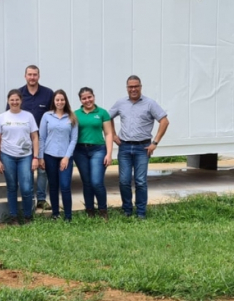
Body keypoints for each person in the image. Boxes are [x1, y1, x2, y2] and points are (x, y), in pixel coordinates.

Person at [109, 75, 169, 219]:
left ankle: (141, 212)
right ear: (127, 88)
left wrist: (155, 143)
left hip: (143, 148)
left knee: (140, 181)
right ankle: (127, 210)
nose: (133, 89)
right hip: (124, 147)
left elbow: (164, 121)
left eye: (136, 86)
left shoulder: (150, 103)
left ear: (141, 87)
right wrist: (114, 136)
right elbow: (107, 117)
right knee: (124, 181)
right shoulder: (121, 103)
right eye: (130, 86)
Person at [10, 65, 53, 211]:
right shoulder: (19, 94)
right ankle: (29, 199)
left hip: (42, 138)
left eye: (35, 75)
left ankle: (41, 199)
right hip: (22, 140)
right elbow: (9, 114)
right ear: (25, 76)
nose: (32, 77)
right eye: (29, 74)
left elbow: (54, 114)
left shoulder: (48, 94)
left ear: (39, 76)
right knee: (27, 171)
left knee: (42, 169)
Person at [0, 89, 40, 224]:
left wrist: (35, 157)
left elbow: (35, 137)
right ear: (8, 101)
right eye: (12, 100)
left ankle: (28, 217)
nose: (14, 102)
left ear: (21, 101)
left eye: (17, 100)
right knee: (12, 187)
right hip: (7, 155)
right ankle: (13, 217)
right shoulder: (1, 117)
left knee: (26, 187)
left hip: (25, 156)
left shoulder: (28, 116)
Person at [73, 87, 114, 220]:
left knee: (96, 182)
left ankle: (103, 210)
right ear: (80, 100)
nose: (87, 100)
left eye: (89, 97)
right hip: (80, 151)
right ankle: (89, 210)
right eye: (84, 98)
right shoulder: (75, 114)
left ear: (94, 97)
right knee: (86, 182)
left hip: (98, 150)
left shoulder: (102, 113)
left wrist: (109, 154)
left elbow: (108, 134)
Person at [38, 90, 78, 221]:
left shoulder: (71, 117)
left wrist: (66, 157)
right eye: (57, 100)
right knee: (53, 186)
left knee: (65, 186)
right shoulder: (47, 116)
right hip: (49, 155)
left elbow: (73, 139)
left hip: (65, 156)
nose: (60, 102)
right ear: (54, 102)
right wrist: (41, 157)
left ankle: (68, 216)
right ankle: (55, 214)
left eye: (62, 100)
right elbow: (42, 137)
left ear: (65, 101)